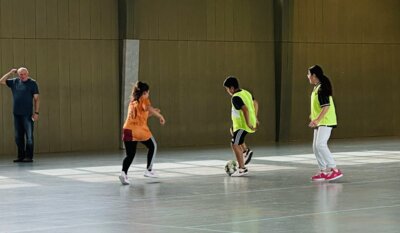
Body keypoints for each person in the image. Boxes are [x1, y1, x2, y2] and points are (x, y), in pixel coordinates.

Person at [119, 81, 166, 185]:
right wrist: (160, 116)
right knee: (153, 146)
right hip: (139, 130)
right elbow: (147, 107)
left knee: (130, 155)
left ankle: (123, 174)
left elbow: (141, 115)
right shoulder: (144, 99)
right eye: (148, 93)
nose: (148, 95)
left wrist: (153, 113)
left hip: (127, 130)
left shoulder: (133, 101)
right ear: (144, 93)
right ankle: (149, 170)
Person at [307, 65, 343, 181]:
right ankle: (323, 170)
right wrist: (314, 117)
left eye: (308, 74)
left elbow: (326, 106)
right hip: (320, 121)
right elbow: (318, 106)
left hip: (326, 121)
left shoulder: (322, 89)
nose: (307, 77)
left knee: (320, 145)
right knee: (315, 147)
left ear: (314, 75)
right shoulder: (317, 88)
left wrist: (317, 119)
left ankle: (335, 169)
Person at [0, 67, 40, 163]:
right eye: (20, 74)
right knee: (18, 137)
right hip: (16, 114)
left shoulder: (32, 83)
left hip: (27, 114)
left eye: (23, 74)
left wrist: (36, 112)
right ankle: (21, 156)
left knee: (29, 136)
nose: (22, 76)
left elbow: (36, 99)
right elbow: (1, 81)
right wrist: (10, 72)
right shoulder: (14, 82)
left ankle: (29, 157)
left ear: (27, 73)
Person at [223, 76, 259, 177]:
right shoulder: (246, 92)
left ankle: (242, 169)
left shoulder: (235, 97)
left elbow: (245, 110)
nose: (227, 91)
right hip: (243, 124)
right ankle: (245, 151)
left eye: (227, 89)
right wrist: (255, 118)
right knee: (232, 131)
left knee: (234, 144)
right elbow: (255, 103)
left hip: (243, 126)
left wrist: (248, 123)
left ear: (232, 88)